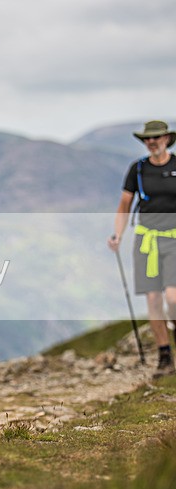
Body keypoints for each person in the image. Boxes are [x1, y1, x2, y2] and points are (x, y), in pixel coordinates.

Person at [109, 120, 176, 378]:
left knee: (172, 297)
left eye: (157, 137)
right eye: (148, 138)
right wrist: (118, 234)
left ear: (167, 139)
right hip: (147, 241)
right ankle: (164, 356)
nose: (152, 142)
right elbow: (124, 205)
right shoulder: (137, 170)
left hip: (173, 239)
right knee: (153, 299)